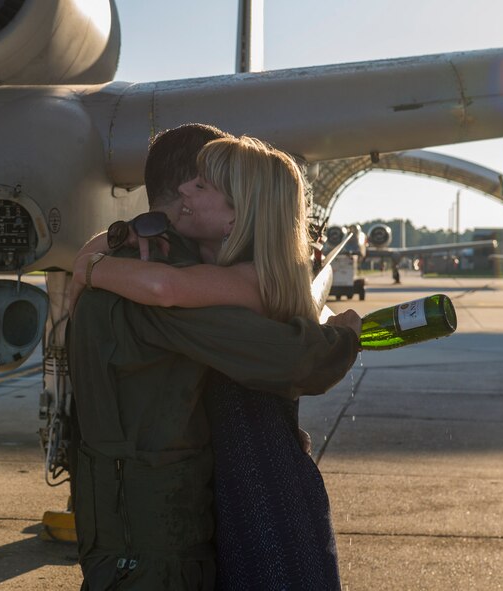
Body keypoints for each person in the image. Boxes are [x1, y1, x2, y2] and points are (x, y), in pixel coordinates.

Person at [68, 125, 361, 590]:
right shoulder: (157, 272)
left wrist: (90, 263)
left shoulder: (176, 275)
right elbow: (285, 360)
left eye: (203, 185)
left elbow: (271, 358)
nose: (189, 191)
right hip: (166, 524)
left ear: (235, 217)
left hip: (205, 510)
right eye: (193, 180)